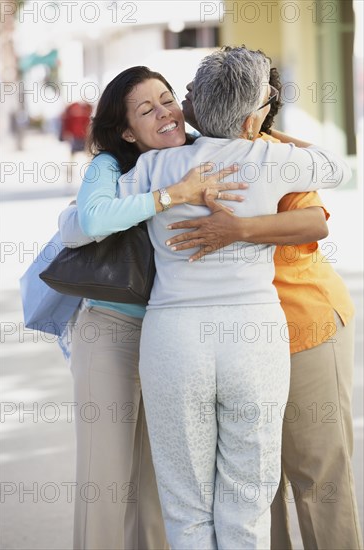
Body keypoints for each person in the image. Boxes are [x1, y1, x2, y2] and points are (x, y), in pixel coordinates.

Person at [74, 47, 351, 549]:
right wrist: (257, 129)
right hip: (255, 339)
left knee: (186, 503)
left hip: (174, 341)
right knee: (247, 497)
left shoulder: (156, 168)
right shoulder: (270, 157)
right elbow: (334, 167)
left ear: (196, 104)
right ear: (253, 115)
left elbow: (90, 219)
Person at [167, 62, 363, 550]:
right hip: (227, 345)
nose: (186, 95)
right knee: (250, 488)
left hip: (302, 327)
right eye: (188, 87)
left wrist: (238, 230)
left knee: (318, 475)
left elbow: (314, 222)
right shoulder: (176, 158)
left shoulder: (273, 155)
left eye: (195, 89)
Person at [58, 66, 247, 550]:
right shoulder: (110, 167)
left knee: (156, 488)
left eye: (167, 99)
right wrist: (171, 196)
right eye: (147, 110)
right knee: (105, 479)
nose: (165, 113)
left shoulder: (197, 147)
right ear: (126, 131)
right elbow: (90, 220)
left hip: (171, 338)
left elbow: (254, 142)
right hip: (112, 330)